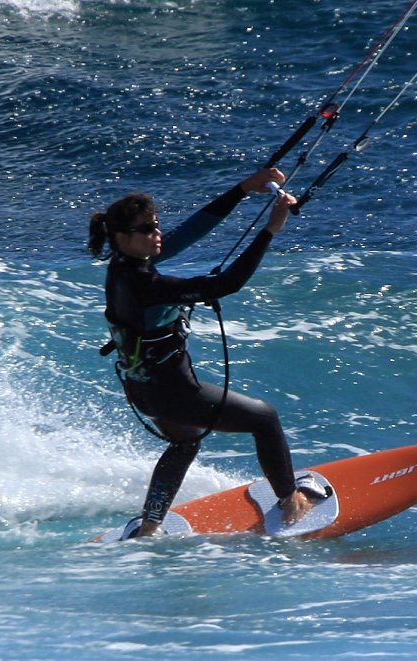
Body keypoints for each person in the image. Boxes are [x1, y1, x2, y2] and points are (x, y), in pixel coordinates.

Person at [88, 168, 313, 538]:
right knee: (265, 420)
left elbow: (190, 233)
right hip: (174, 392)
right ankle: (291, 502)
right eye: (146, 230)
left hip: (141, 388)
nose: (157, 234)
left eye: (156, 225)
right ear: (122, 238)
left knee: (186, 442)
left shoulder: (123, 266)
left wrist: (243, 189)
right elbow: (228, 284)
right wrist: (271, 228)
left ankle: (150, 525)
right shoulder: (145, 283)